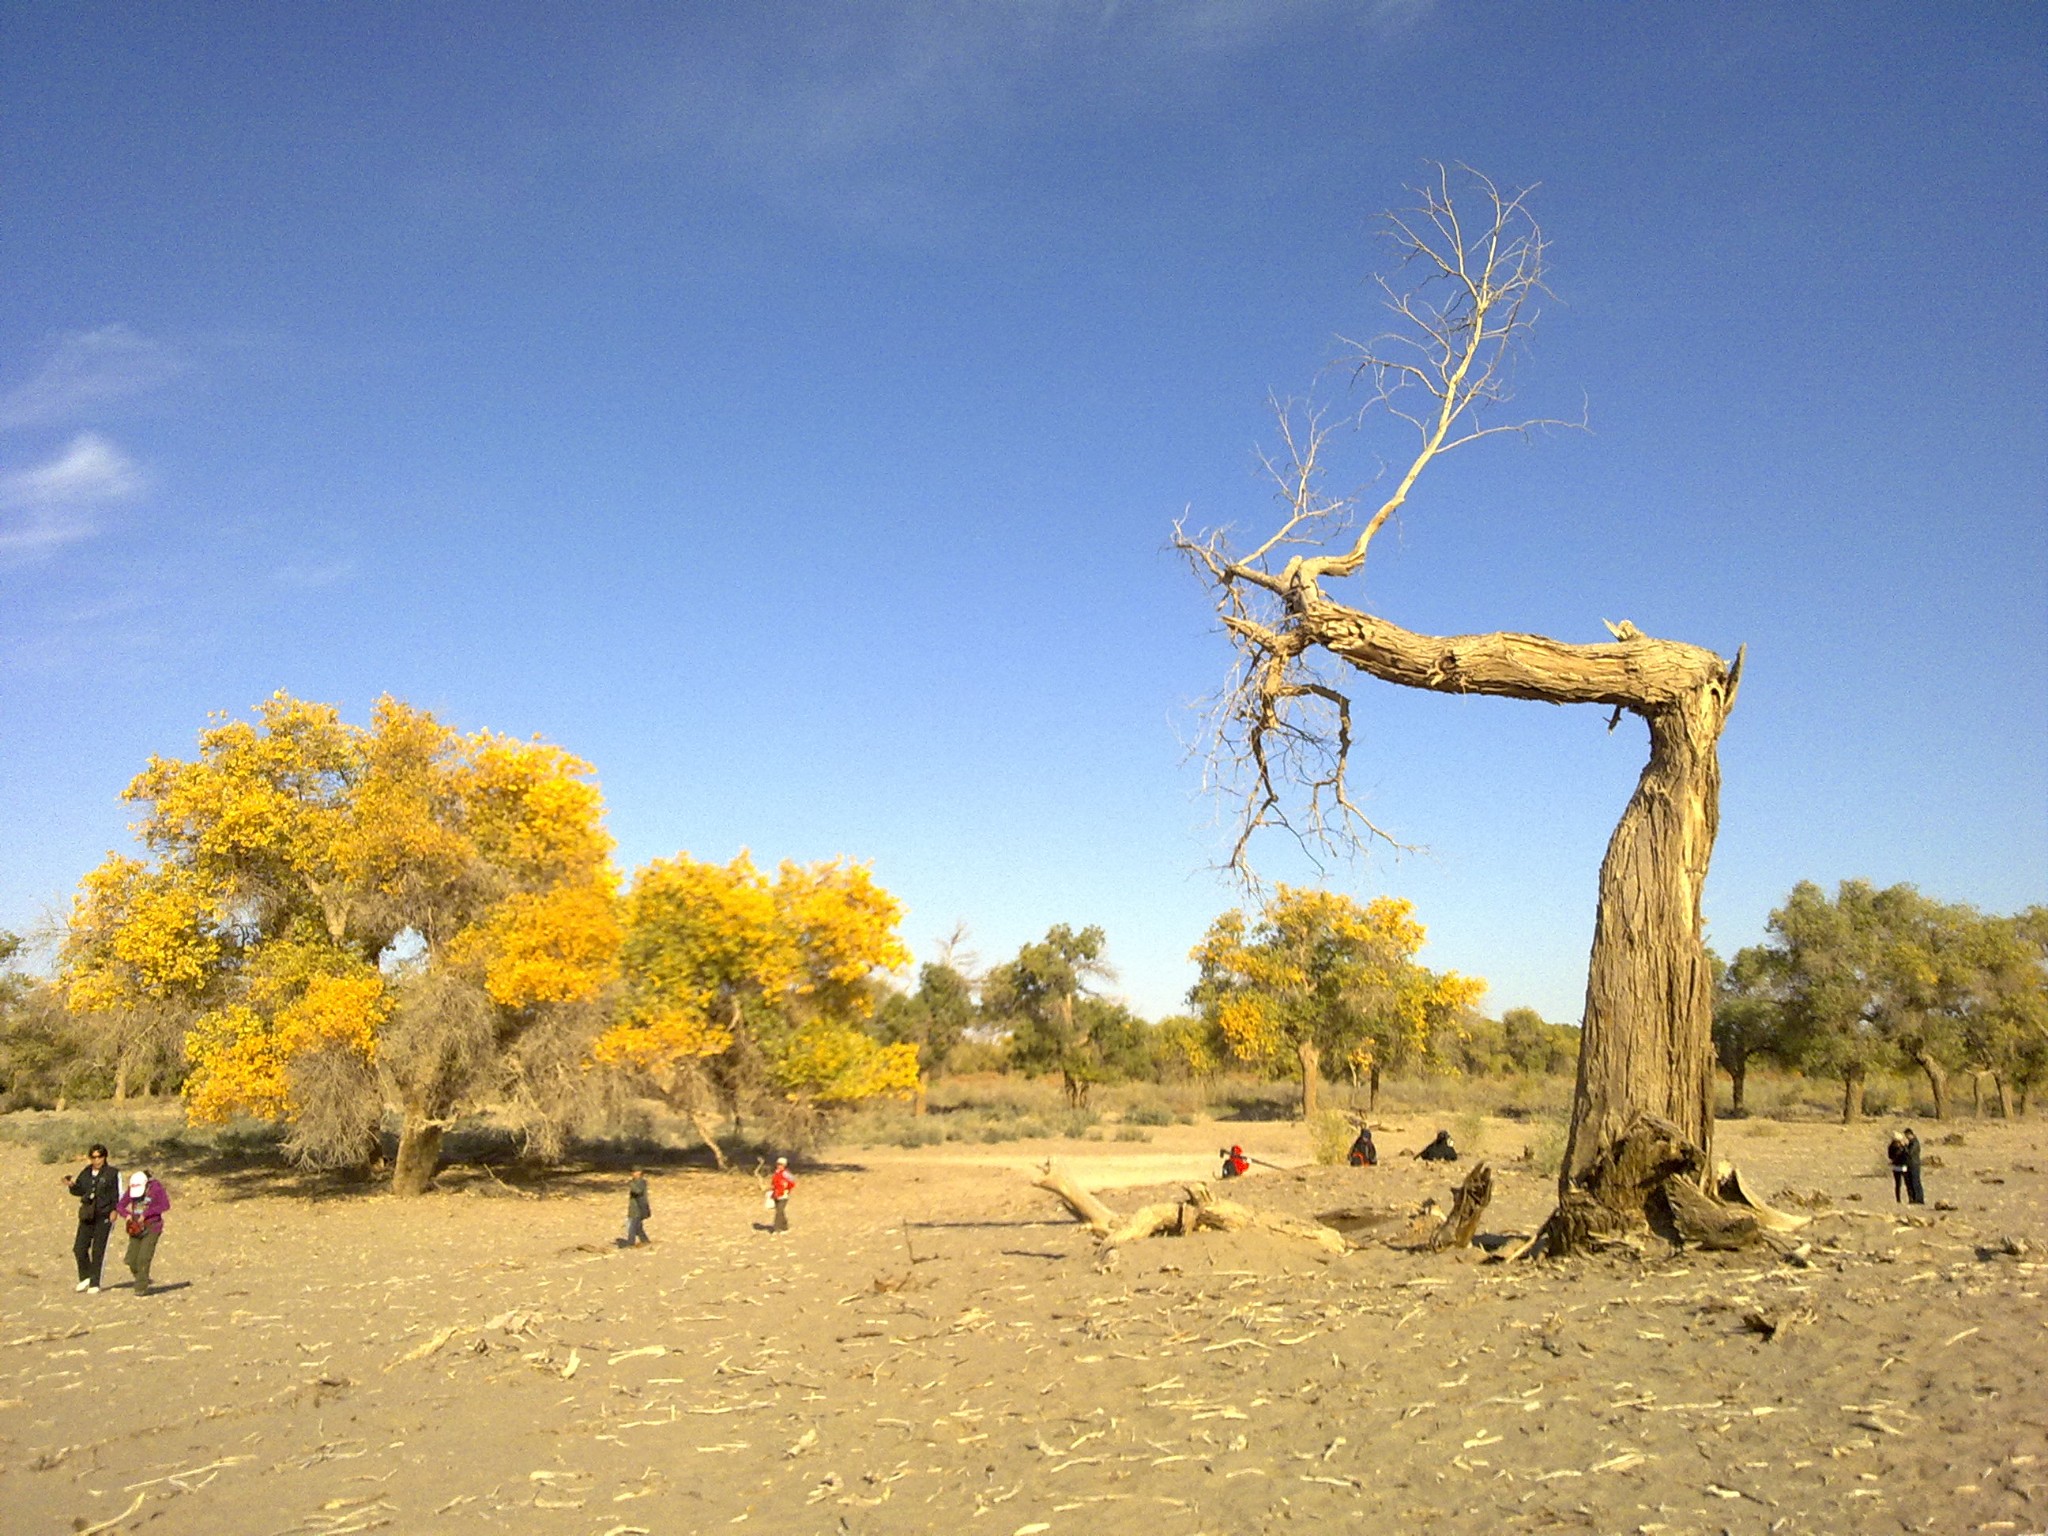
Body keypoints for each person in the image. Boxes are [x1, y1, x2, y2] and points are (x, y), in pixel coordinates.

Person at [65, 1143, 121, 1293]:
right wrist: (71, 1185)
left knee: (98, 1249)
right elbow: (79, 1190)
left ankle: (95, 1282)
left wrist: (115, 1210)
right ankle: (85, 1277)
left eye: (100, 1157)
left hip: (104, 1214)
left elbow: (117, 1193)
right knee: (79, 1248)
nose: (97, 1160)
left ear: (105, 1157)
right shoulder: (86, 1172)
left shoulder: (112, 1173)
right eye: (94, 1157)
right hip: (87, 1214)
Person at [115, 1170, 170, 1294]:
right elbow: (120, 1206)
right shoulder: (132, 1188)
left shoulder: (156, 1188)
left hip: (152, 1227)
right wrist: (127, 1215)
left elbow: (165, 1205)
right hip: (135, 1228)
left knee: (143, 1258)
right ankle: (142, 1277)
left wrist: (146, 1214)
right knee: (131, 1260)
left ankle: (141, 1287)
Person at [1894, 1126, 1925, 1205]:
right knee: (1910, 1183)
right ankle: (1913, 1198)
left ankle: (1919, 1199)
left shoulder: (1915, 1143)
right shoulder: (1911, 1143)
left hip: (1914, 1165)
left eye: (1907, 1136)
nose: (1907, 1137)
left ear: (1910, 1134)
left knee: (1916, 1182)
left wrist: (1904, 1146)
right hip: (1908, 1165)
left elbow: (1910, 1153)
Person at [622, 1169, 652, 1247]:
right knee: (638, 1226)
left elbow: (638, 1191)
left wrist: (630, 1184)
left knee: (632, 1227)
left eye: (635, 1172)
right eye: (632, 1172)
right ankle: (645, 1240)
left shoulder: (641, 1182)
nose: (633, 1174)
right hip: (635, 1208)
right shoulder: (636, 1181)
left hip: (638, 1208)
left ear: (639, 1173)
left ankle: (630, 1243)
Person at [768, 1156, 795, 1233]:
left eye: (781, 1164)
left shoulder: (786, 1173)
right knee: (780, 1211)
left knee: (779, 1211)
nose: (779, 1166)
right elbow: (774, 1183)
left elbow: (792, 1182)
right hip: (776, 1194)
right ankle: (784, 1227)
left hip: (784, 1195)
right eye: (778, 1164)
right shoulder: (776, 1173)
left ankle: (776, 1228)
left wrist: (786, 1188)